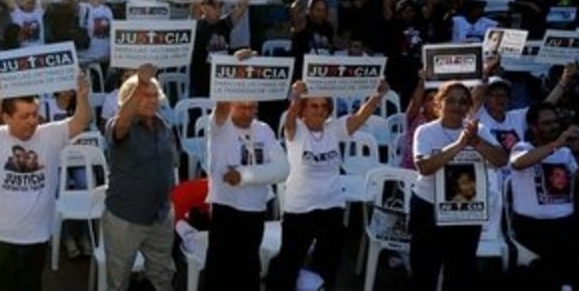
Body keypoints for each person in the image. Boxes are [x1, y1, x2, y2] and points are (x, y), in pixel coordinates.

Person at [0, 69, 91, 291]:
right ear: (6, 118)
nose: (32, 121)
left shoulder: (49, 134)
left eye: (34, 113)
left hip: (35, 239)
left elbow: (80, 121)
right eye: (24, 116)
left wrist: (82, 95)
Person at [267, 79, 387, 291]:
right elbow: (290, 120)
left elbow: (361, 116)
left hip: (332, 206)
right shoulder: (296, 131)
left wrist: (377, 96)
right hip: (300, 208)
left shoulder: (334, 129)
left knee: (327, 265)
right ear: (304, 109)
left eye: (324, 106)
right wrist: (295, 98)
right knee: (289, 263)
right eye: (314, 105)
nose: (319, 110)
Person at [409, 81, 509, 291]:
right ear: (439, 103)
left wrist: (477, 142)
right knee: (424, 272)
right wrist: (460, 145)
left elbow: (501, 160)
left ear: (469, 106)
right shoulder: (425, 131)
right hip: (428, 209)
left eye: (463, 101)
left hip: (465, 211)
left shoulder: (478, 130)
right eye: (451, 100)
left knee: (460, 273)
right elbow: (425, 167)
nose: (457, 106)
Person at [203, 54, 289, 291]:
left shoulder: (264, 129)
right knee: (218, 271)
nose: (248, 112)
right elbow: (221, 99)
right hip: (226, 209)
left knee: (248, 271)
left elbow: (283, 169)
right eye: (242, 106)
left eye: (253, 107)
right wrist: (235, 66)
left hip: (255, 210)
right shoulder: (219, 126)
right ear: (231, 105)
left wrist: (243, 176)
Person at [102, 65, 176, 291]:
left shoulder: (163, 127)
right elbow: (123, 121)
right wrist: (141, 82)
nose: (152, 100)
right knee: (119, 279)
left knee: (163, 275)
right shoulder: (119, 126)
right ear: (129, 98)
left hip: (160, 217)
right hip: (125, 219)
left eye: (155, 95)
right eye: (145, 95)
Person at [509, 102, 579, 290]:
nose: (554, 127)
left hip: (566, 224)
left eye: (556, 122)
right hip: (532, 226)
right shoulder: (521, 147)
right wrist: (557, 144)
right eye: (547, 123)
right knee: (551, 270)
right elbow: (519, 163)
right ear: (533, 127)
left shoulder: (566, 152)